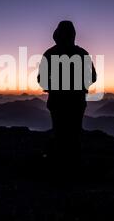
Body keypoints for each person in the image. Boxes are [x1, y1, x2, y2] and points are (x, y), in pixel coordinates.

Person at [38, 21, 97, 160]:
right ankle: (74, 165)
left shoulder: (50, 53)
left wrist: (53, 87)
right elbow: (92, 77)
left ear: (57, 35)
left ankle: (59, 166)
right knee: (75, 134)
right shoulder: (82, 54)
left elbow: (41, 79)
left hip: (57, 102)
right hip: (77, 102)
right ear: (73, 35)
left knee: (59, 133)